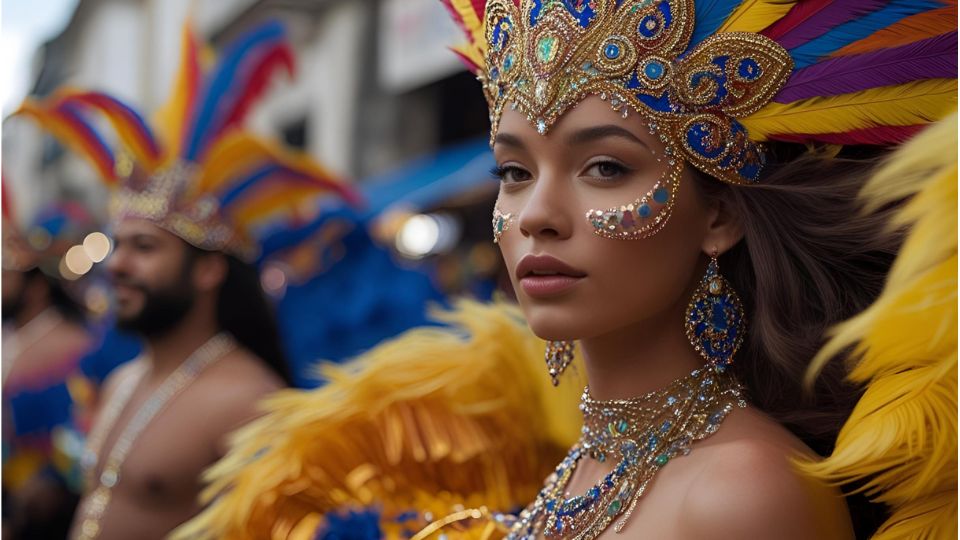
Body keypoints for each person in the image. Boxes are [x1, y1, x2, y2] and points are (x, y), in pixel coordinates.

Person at [176, 1, 957, 539]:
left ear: (719, 216)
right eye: (514, 172)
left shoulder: (742, 490)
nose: (536, 216)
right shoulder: (589, 459)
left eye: (606, 167)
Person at [14, 20, 356, 540]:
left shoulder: (250, 402)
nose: (117, 265)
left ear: (209, 269)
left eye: (145, 248)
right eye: (118, 245)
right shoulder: (121, 379)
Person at [2, 208, 94, 539]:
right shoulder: (13, 335)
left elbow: (75, 440)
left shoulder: (69, 345)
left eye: (6, 277)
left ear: (37, 287)